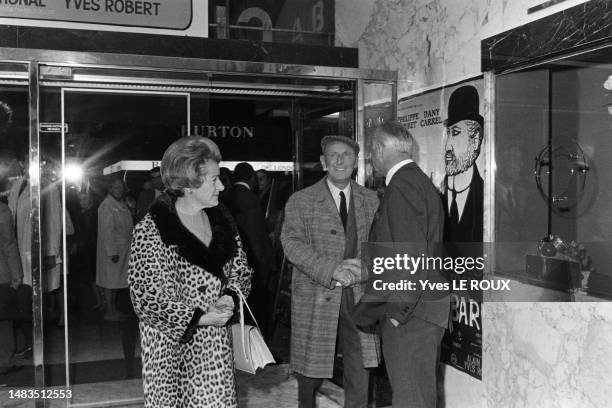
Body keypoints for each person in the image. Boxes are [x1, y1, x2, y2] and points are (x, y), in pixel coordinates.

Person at [128, 136, 252, 407]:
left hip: (215, 353)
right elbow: (146, 298)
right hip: (169, 356)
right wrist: (200, 318)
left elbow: (242, 271)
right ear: (188, 183)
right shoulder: (152, 230)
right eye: (213, 180)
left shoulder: (223, 221)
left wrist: (230, 296)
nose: (221, 185)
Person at [353, 122, 449, 408]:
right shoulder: (415, 181)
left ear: (381, 149)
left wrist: (397, 313)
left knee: (411, 397)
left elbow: (410, 259)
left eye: (371, 151)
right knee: (416, 392)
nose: (370, 158)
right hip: (421, 309)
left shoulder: (402, 185)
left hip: (411, 312)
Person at [281, 135, 380, 408]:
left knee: (361, 365)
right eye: (333, 155)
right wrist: (331, 269)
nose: (340, 160)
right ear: (323, 162)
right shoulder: (301, 201)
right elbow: (291, 245)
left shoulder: (372, 201)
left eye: (346, 155)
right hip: (316, 293)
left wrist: (366, 270)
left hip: (359, 295)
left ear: (356, 162)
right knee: (310, 372)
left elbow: (383, 246)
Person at [224, 162, 275, 339]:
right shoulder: (250, 198)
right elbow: (256, 235)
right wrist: (264, 267)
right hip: (251, 262)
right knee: (256, 310)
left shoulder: (225, 196)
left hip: (230, 262)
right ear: (251, 178)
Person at [442, 85, 484, 242]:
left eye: (456, 133)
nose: (448, 146)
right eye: (448, 133)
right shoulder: (437, 193)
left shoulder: (486, 197)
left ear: (475, 139)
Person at [96, 178, 134, 321]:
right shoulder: (106, 206)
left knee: (116, 281)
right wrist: (112, 252)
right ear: (110, 189)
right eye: (116, 188)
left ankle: (113, 310)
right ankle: (109, 312)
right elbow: (107, 231)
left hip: (123, 249)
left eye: (121, 188)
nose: (119, 190)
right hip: (113, 252)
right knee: (110, 282)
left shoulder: (121, 204)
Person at [0, 199, 23, 375]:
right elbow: (8, 243)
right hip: (1, 273)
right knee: (4, 320)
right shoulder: (2, 211)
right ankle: (4, 362)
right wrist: (16, 274)